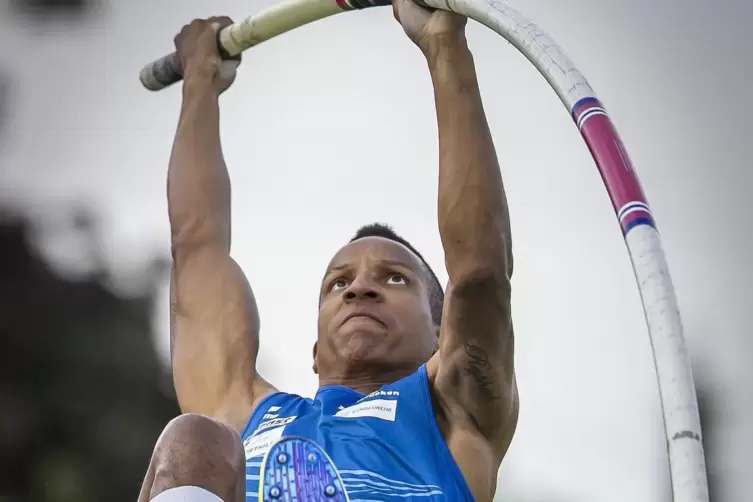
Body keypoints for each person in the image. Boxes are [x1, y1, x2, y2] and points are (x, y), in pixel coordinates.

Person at [138, 0, 518, 501]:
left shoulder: (454, 411)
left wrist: (443, 43)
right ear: (315, 353)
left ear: (442, 334)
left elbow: (479, 272)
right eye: (339, 282)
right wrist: (200, 83)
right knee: (193, 441)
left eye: (394, 278)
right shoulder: (246, 409)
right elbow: (196, 244)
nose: (360, 287)